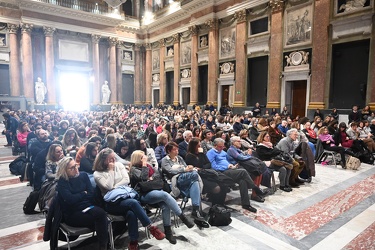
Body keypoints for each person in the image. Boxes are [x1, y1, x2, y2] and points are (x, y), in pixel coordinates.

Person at [93, 148, 165, 250]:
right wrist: (110, 171)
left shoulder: (119, 165)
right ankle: (151, 227)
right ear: (103, 160)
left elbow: (126, 180)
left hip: (125, 197)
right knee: (133, 203)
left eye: (114, 158)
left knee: (131, 213)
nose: (113, 161)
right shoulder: (97, 174)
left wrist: (115, 187)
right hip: (111, 203)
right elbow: (108, 186)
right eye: (110, 159)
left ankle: (133, 242)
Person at [129, 150, 194, 244]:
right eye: (142, 157)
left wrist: (149, 175)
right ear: (137, 159)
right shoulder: (134, 169)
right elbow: (143, 178)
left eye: (144, 157)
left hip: (154, 190)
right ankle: (182, 217)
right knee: (165, 195)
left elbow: (158, 175)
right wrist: (144, 165)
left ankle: (168, 232)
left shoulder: (148, 166)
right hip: (142, 195)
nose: (145, 159)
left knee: (165, 205)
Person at [56, 157, 109, 250]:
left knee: (101, 214)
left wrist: (79, 197)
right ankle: (104, 246)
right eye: (72, 168)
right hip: (73, 213)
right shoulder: (62, 182)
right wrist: (83, 193)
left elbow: (91, 193)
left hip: (87, 206)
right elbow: (70, 200)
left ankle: (103, 246)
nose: (76, 169)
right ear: (64, 170)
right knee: (101, 218)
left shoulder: (83, 175)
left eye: (76, 166)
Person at [207, 138, 264, 213]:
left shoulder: (222, 152)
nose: (222, 148)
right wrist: (228, 166)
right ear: (215, 146)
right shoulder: (210, 153)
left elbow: (228, 160)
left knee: (242, 181)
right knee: (243, 172)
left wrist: (233, 165)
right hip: (221, 172)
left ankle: (246, 204)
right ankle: (255, 188)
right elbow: (214, 167)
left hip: (230, 169)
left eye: (223, 146)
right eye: (220, 146)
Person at [161, 142, 207, 225]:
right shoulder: (165, 160)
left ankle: (195, 210)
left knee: (195, 182)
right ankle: (196, 210)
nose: (177, 151)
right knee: (194, 175)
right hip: (175, 180)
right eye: (174, 149)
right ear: (169, 151)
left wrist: (189, 167)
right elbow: (171, 171)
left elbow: (186, 166)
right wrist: (184, 170)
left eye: (177, 149)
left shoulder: (179, 158)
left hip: (186, 179)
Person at [185, 138, 229, 205]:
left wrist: (202, 166)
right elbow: (199, 165)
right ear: (194, 146)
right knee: (217, 188)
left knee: (224, 184)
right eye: (198, 146)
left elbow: (208, 164)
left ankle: (220, 204)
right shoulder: (189, 156)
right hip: (199, 176)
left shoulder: (202, 154)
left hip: (207, 173)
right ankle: (215, 206)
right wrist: (200, 155)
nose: (200, 147)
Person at [226, 136, 269, 202]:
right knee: (256, 172)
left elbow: (243, 156)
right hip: (237, 168)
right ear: (233, 143)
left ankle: (256, 193)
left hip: (243, 166)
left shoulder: (237, 149)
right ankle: (254, 195)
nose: (240, 142)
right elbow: (241, 158)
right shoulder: (231, 150)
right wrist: (248, 154)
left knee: (259, 173)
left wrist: (246, 153)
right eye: (238, 141)